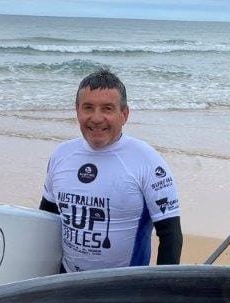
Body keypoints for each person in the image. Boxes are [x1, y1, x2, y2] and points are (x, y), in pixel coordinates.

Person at [39, 68, 182, 272]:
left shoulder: (147, 160)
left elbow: (170, 234)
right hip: (66, 279)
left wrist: (163, 286)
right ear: (77, 111)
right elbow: (46, 221)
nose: (96, 118)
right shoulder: (61, 155)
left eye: (107, 109)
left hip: (122, 284)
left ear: (124, 114)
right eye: (88, 108)